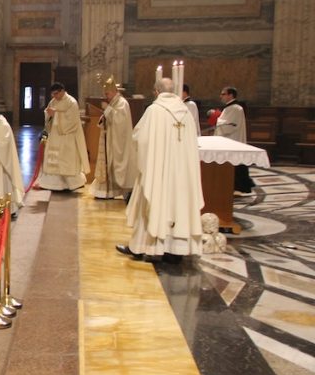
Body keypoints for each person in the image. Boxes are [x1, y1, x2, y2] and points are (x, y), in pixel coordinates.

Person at [117, 78, 203, 262]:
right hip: (181, 173)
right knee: (179, 205)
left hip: (159, 171)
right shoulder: (186, 112)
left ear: (156, 91)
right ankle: (175, 251)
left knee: (152, 202)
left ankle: (142, 246)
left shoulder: (154, 110)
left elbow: (140, 139)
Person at [37, 83, 89, 191]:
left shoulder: (71, 102)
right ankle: (53, 184)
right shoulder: (53, 102)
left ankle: (71, 184)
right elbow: (48, 116)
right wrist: (48, 115)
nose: (54, 96)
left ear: (62, 91)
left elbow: (72, 121)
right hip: (54, 136)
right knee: (54, 161)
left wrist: (56, 115)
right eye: (53, 94)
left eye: (56, 94)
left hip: (67, 136)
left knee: (66, 160)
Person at [91, 80, 138, 200]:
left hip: (118, 141)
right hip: (111, 139)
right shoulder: (114, 102)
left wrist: (107, 109)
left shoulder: (122, 103)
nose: (106, 96)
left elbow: (120, 122)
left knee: (114, 163)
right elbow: (110, 117)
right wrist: (104, 117)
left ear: (113, 91)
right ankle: (108, 191)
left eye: (107, 93)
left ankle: (116, 190)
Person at [215, 86, 254, 194]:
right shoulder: (230, 108)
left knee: (235, 165)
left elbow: (229, 126)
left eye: (223, 94)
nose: (221, 96)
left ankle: (237, 187)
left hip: (233, 140)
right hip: (229, 140)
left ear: (230, 95)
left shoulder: (235, 108)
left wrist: (216, 119)